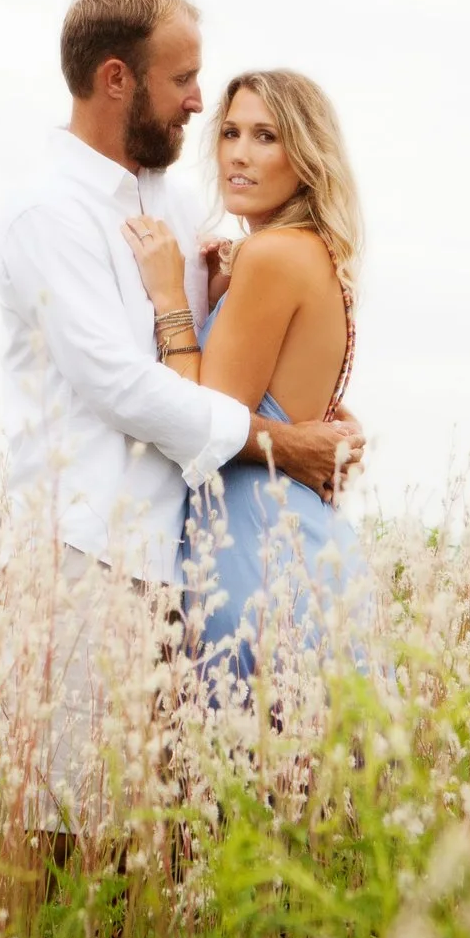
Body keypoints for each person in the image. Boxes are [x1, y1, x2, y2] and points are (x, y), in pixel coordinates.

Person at [0, 0, 363, 847]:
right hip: (93, 551)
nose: (202, 104)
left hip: (195, 560)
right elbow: (126, 387)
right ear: (118, 80)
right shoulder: (48, 217)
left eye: (252, 128)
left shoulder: (182, 206)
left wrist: (314, 407)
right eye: (186, 82)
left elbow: (232, 356)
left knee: (176, 828)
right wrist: (288, 443)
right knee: (78, 821)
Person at [120, 68, 372, 695]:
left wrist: (172, 296)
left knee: (232, 778)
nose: (238, 152)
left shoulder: (271, 254)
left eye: (266, 136)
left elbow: (208, 417)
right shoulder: (315, 255)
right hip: (309, 550)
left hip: (249, 554)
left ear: (307, 156)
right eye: (230, 132)